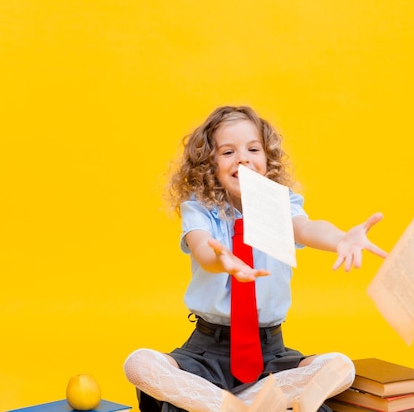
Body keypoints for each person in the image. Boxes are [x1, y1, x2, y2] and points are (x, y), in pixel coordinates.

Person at [123, 106, 388, 412]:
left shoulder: (279, 204)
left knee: (341, 366)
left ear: (267, 159)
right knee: (139, 364)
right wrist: (224, 262)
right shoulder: (199, 208)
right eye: (227, 152)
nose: (243, 158)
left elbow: (305, 228)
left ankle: (232, 406)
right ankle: (247, 406)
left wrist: (340, 239)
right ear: (209, 164)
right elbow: (202, 250)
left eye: (253, 149)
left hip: (270, 354)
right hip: (207, 350)